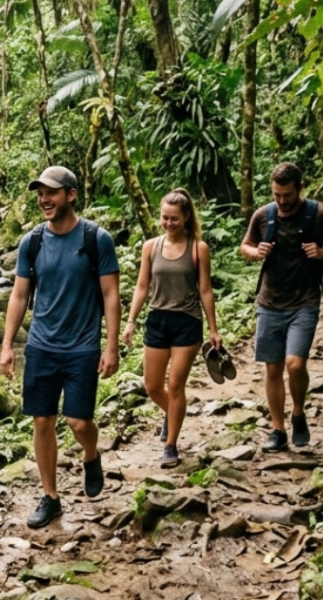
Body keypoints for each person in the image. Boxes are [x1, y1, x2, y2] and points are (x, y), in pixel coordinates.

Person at [0, 165, 121, 529]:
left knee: (79, 421)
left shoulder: (95, 239)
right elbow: (20, 295)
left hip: (82, 346)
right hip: (41, 345)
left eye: (51, 192)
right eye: (40, 193)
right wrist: (7, 344)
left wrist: (111, 346)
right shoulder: (32, 241)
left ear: (71, 195)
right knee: (42, 420)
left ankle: (91, 454)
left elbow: (111, 295)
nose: (43, 199)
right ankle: (51, 497)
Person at [240, 162, 323, 452]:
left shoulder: (319, 214)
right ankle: (278, 430)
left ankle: (299, 412)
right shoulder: (263, 216)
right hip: (269, 302)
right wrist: (256, 253)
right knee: (273, 368)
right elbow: (245, 247)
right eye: (277, 194)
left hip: (304, 301)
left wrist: (322, 251)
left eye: (287, 195)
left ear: (300, 188)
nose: (281, 200)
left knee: (295, 363)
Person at [123, 188, 222, 469]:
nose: (169, 223)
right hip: (157, 320)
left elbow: (205, 291)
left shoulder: (198, 249)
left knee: (175, 385)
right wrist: (130, 321)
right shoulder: (151, 247)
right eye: (165, 218)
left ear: (187, 217)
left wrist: (214, 329)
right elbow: (142, 286)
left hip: (187, 323)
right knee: (153, 386)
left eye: (174, 219)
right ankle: (173, 414)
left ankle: (171, 446)